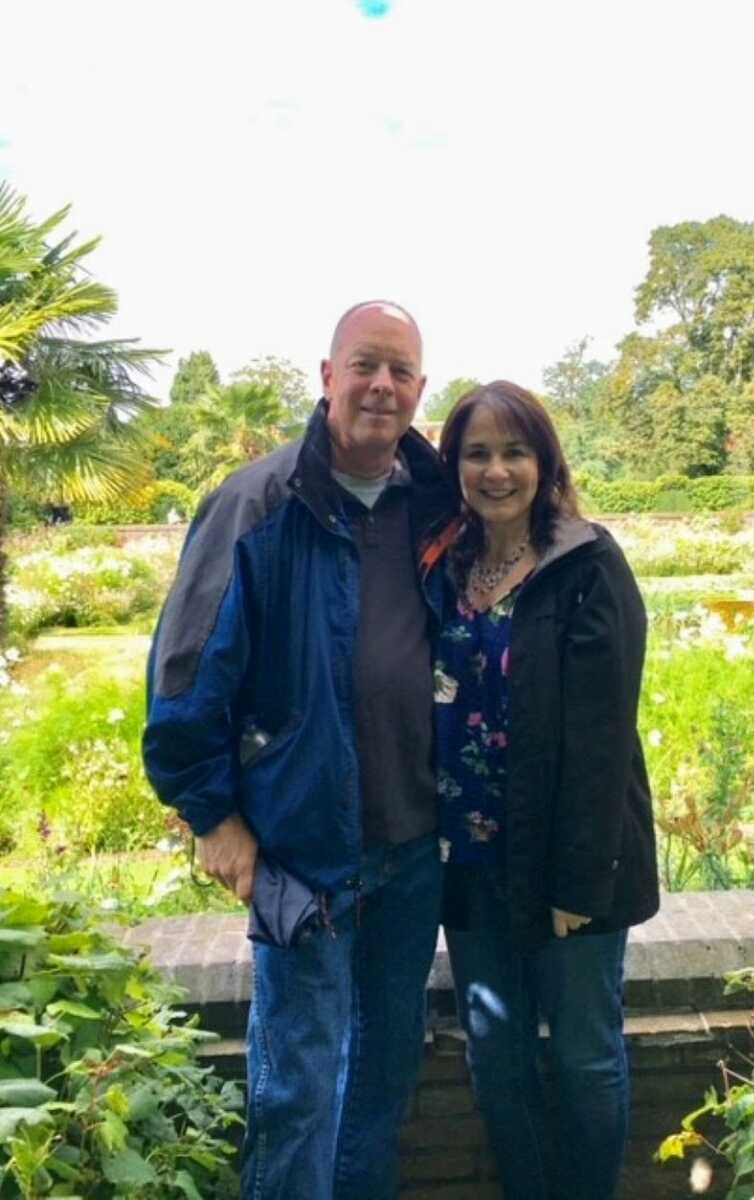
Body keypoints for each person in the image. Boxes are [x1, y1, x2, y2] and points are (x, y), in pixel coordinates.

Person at [143, 301, 452, 1200]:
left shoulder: (435, 504)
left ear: (420, 390)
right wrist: (213, 816)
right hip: (301, 854)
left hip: (411, 852)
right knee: (298, 1092)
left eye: (400, 371)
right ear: (327, 377)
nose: (381, 386)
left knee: (384, 1080)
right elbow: (183, 677)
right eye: (365, 365)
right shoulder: (257, 503)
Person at [425, 381, 659, 1199]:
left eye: (514, 452)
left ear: (545, 461)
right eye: (476, 453)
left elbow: (602, 745)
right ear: (452, 466)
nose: (496, 471)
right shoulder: (445, 565)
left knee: (584, 1052)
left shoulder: (588, 565)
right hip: (472, 861)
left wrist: (578, 883)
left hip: (570, 865)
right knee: (496, 1048)